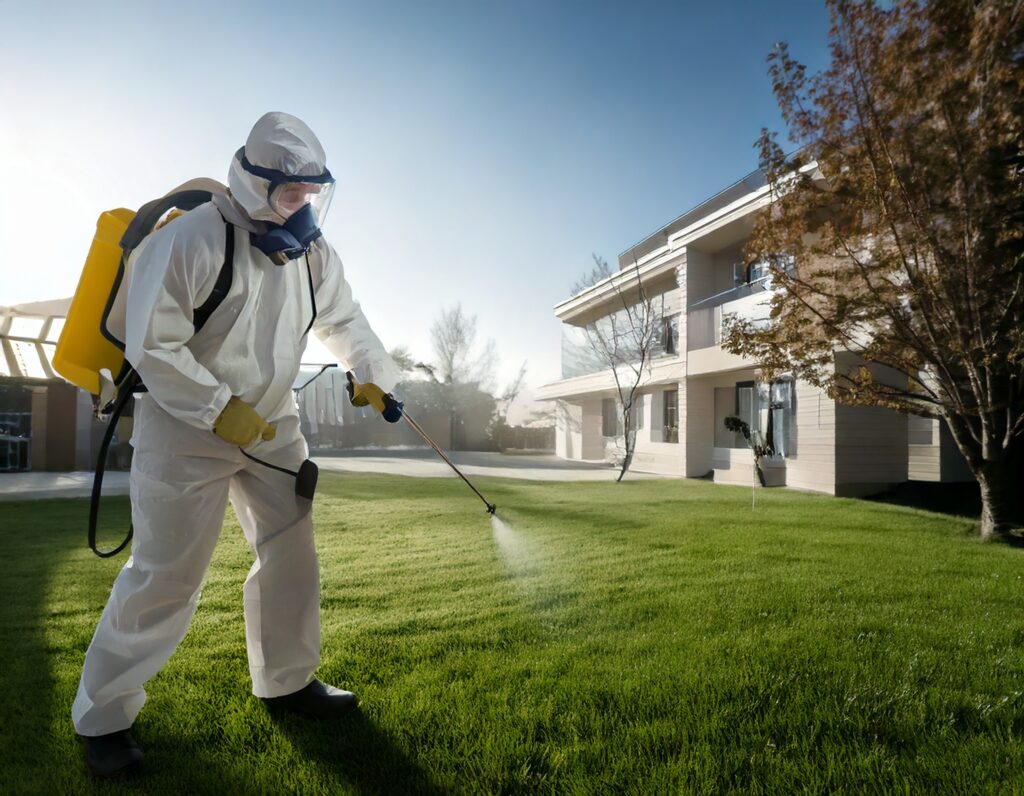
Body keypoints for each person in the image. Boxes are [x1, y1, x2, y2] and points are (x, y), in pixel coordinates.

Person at [72, 112, 402, 777]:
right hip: (183, 428)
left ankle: (286, 682)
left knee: (291, 553)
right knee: (165, 575)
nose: (303, 205)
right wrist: (219, 410)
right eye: (290, 192)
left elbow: (346, 320)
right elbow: (153, 345)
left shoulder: (313, 255)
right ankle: (103, 716)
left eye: (312, 193)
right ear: (254, 182)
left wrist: (374, 375)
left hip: (274, 427)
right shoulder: (188, 240)